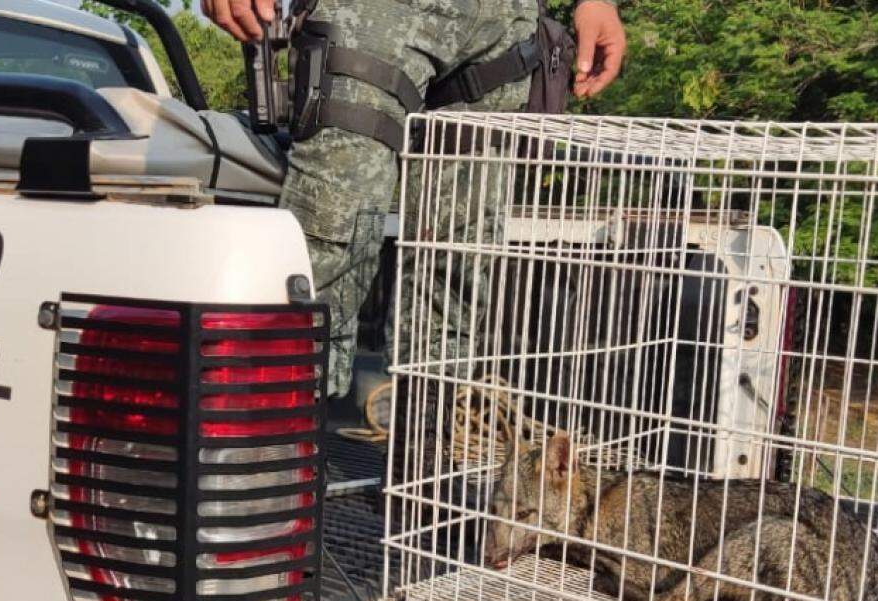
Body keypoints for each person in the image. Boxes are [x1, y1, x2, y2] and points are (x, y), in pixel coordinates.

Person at [203, 0, 627, 401]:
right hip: (379, 17)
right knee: (331, 240)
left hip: (503, 35)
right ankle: (285, 443)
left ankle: (423, 460)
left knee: (461, 262)